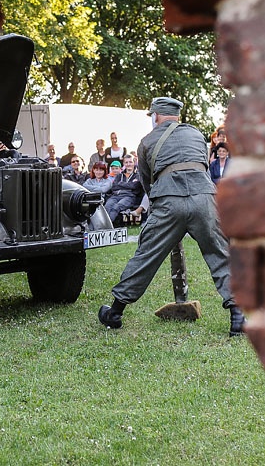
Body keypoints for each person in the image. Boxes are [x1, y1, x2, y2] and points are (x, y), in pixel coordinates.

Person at [97, 96, 245, 337]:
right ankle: (238, 317)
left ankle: (114, 312)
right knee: (220, 253)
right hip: (204, 198)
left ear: (156, 116)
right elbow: (202, 167)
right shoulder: (197, 134)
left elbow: (147, 182)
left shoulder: (147, 141)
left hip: (168, 201)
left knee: (146, 256)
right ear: (177, 115)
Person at [104, 154, 144, 225]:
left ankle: (107, 227)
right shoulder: (120, 175)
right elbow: (114, 187)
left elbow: (134, 186)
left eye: (130, 162)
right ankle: (105, 226)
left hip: (129, 197)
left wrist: (121, 183)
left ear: (134, 162)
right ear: (124, 164)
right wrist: (128, 186)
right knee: (107, 206)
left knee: (116, 207)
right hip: (116, 195)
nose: (128, 164)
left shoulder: (137, 175)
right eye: (126, 162)